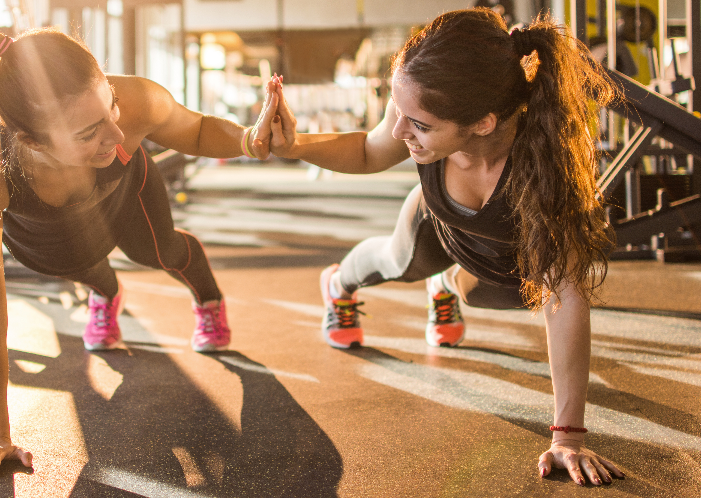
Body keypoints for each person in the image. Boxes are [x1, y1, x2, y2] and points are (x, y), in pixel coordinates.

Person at [267, 8, 625, 487]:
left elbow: (565, 294)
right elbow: (369, 150)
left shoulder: (546, 172)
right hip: (437, 223)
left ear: (482, 123)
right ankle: (338, 283)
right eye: (400, 113)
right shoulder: (420, 103)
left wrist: (568, 437)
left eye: (418, 124)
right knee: (397, 260)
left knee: (498, 296)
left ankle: (449, 284)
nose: (400, 131)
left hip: (506, 257)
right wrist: (294, 147)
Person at [0, 27, 279, 479]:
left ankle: (208, 298)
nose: (117, 132)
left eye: (110, 104)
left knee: (160, 251)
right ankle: (106, 294)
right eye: (88, 132)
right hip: (45, 233)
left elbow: (194, 130)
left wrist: (249, 140)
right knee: (73, 265)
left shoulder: (135, 103)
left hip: (125, 195)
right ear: (33, 142)